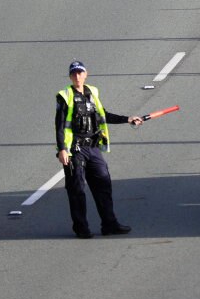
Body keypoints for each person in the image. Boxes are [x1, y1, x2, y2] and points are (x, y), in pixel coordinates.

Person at [56, 60, 142, 239]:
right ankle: (81, 228)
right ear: (70, 76)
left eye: (80, 73)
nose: (77, 77)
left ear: (86, 74)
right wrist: (62, 149)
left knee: (103, 184)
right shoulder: (65, 96)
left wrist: (128, 119)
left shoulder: (92, 92)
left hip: (93, 148)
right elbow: (60, 125)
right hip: (75, 149)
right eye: (74, 74)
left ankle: (109, 224)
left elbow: (103, 115)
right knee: (77, 189)